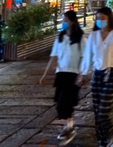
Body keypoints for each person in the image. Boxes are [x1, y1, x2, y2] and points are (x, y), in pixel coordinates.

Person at [79, 8, 113, 147]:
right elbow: (88, 55)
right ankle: (102, 141)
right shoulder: (93, 36)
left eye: (103, 18)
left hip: (112, 74)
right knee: (97, 112)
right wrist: (83, 73)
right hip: (97, 75)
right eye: (98, 18)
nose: (100, 21)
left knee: (103, 111)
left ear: (109, 19)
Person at [40, 11, 86, 145]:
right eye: (63, 20)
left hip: (73, 74)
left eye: (65, 20)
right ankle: (69, 124)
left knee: (67, 101)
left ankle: (69, 126)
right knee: (60, 102)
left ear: (72, 21)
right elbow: (53, 57)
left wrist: (82, 75)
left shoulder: (80, 39)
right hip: (61, 74)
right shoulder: (59, 39)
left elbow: (85, 58)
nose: (63, 22)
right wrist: (45, 75)